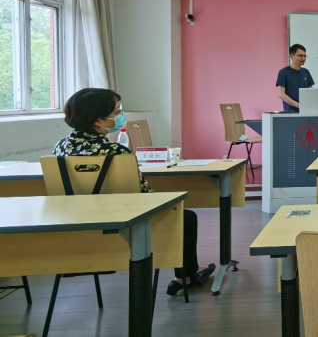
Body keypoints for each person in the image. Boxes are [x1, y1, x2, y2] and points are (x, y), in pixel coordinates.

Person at [53, 88, 215, 296]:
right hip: (121, 221)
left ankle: (187, 273)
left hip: (78, 220)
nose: (121, 116)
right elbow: (142, 195)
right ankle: (185, 274)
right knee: (185, 216)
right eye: (117, 112)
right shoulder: (116, 152)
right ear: (98, 121)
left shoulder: (61, 147)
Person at [276, 44, 314, 112]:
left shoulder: (306, 72)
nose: (303, 58)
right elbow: (281, 94)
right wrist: (298, 105)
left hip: (306, 111)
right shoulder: (283, 72)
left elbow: (310, 92)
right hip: (290, 112)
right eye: (300, 56)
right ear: (291, 56)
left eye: (305, 56)